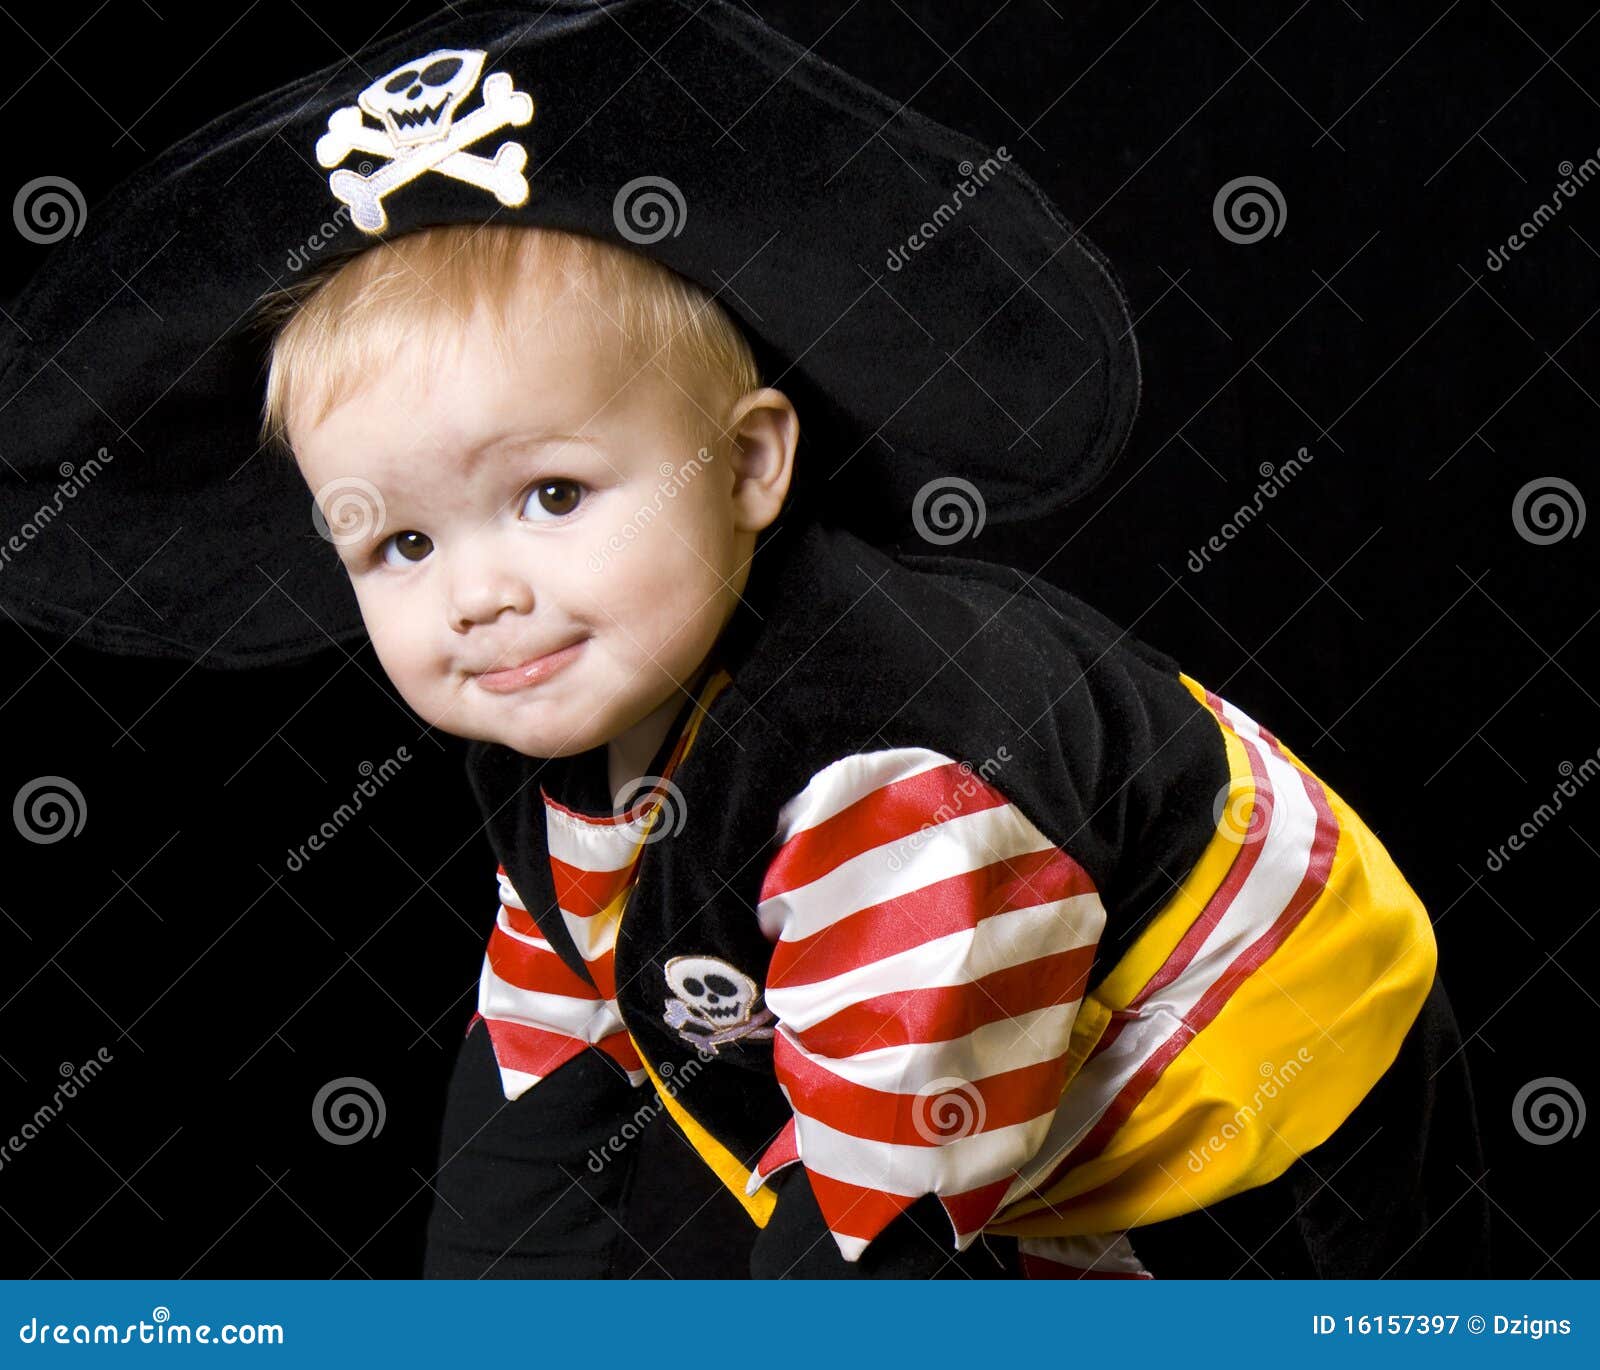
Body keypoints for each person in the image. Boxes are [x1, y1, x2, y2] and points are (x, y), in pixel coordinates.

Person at [0, 0, 1487, 1278]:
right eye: (400, 541)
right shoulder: (566, 733)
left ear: (753, 465)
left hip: (1255, 1048)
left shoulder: (896, 768)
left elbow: (874, 1207)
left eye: (553, 493)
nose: (478, 593)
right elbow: (538, 1081)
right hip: (955, 1045)